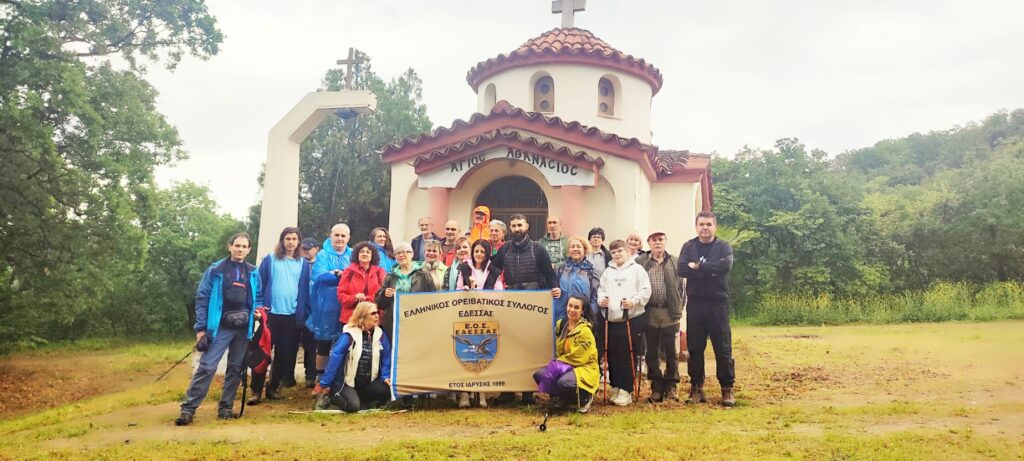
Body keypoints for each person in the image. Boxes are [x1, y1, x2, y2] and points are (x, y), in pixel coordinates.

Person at [176, 233, 262, 425]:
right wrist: (201, 329)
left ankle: (226, 408)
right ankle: (188, 409)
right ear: (229, 246)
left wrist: (258, 312)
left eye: (244, 246)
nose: (240, 249)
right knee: (207, 367)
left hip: (243, 328)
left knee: (236, 368)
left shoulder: (253, 272)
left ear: (249, 250)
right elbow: (202, 298)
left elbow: (259, 297)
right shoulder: (216, 270)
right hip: (220, 327)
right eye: (237, 245)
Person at [488, 213, 560, 405]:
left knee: (529, 346)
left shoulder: (538, 249)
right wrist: (481, 290)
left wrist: (555, 288)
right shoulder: (504, 250)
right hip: (510, 300)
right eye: (513, 226)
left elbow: (549, 273)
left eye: (520, 225)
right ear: (510, 229)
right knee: (508, 344)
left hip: (532, 300)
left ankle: (528, 391)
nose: (517, 229)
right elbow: (492, 270)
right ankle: (508, 391)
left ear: (526, 226)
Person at [678, 210, 736, 407]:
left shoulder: (723, 246)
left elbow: (725, 267)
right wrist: (709, 270)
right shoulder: (689, 246)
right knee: (695, 348)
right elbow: (682, 269)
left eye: (708, 224)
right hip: (695, 304)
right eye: (701, 224)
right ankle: (696, 388)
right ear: (696, 226)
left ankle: (727, 389)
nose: (705, 228)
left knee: (723, 348)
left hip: (717, 304)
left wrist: (699, 267)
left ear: (714, 227)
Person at [312, 301, 392, 413]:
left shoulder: (380, 335)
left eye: (377, 312)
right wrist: (325, 383)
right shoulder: (349, 335)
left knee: (387, 390)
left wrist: (385, 376)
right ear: (363, 316)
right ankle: (330, 397)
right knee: (353, 407)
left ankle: (363, 400)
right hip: (347, 382)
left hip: (368, 382)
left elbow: (386, 358)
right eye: (373, 313)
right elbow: (335, 358)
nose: (377, 315)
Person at [598, 239, 651, 406]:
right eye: (613, 252)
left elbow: (645, 290)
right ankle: (616, 385)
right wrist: (601, 301)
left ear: (627, 251)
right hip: (612, 318)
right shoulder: (608, 271)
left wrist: (634, 301)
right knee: (612, 353)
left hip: (632, 317)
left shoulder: (637, 269)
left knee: (628, 353)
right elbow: (601, 289)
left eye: (620, 251)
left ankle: (626, 389)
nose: (617, 254)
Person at [257, 227, 309, 399]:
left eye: (294, 239)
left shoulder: (303, 264)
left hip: (291, 316)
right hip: (270, 314)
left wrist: (303, 313)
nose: (291, 242)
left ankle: (273, 387)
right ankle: (256, 391)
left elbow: (304, 291)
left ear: (299, 242)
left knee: (283, 354)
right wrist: (260, 307)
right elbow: (259, 283)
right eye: (288, 238)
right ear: (282, 240)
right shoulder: (270, 260)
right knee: (263, 353)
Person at [637, 229, 685, 402]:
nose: (657, 242)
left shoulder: (675, 261)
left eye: (660, 239)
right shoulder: (640, 262)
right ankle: (656, 387)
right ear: (648, 243)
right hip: (649, 312)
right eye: (654, 240)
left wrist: (678, 309)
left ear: (665, 241)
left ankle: (671, 386)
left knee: (672, 352)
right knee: (651, 352)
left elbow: (681, 288)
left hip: (669, 312)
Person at [305, 224, 353, 387]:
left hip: (347, 304)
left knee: (347, 340)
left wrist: (337, 274)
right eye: (337, 235)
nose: (340, 238)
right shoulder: (323, 254)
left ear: (348, 237)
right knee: (325, 342)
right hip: (327, 304)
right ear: (330, 236)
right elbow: (319, 276)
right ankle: (320, 377)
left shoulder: (353, 254)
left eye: (343, 236)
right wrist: (342, 276)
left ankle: (343, 377)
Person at [533, 295, 598, 413]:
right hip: (563, 365)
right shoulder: (560, 324)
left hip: (583, 367)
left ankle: (585, 397)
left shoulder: (585, 331)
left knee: (563, 382)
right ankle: (564, 398)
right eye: (570, 306)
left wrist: (557, 363)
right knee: (540, 375)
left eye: (576, 307)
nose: (572, 310)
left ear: (582, 311)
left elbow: (579, 358)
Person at [375, 242, 437, 340]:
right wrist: (384, 294)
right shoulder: (390, 275)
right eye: (398, 253)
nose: (401, 255)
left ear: (412, 254)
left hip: (417, 319)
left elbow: (433, 297)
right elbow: (380, 303)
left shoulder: (423, 273)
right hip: (394, 321)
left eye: (405, 252)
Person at [337, 241, 386, 326]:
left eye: (368, 252)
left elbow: (383, 296)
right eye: (362, 251)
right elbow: (341, 296)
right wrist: (354, 297)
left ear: (372, 256)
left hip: (373, 318)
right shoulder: (348, 272)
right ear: (357, 255)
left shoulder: (379, 272)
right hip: (351, 318)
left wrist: (367, 299)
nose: (365, 254)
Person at [552, 236, 599, 325]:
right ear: (568, 251)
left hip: (583, 318)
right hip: (561, 317)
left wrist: (591, 315)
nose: (575, 249)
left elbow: (595, 297)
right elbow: (553, 290)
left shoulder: (591, 271)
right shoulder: (560, 269)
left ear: (584, 250)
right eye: (572, 247)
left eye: (578, 246)